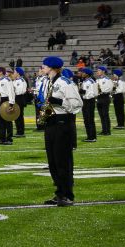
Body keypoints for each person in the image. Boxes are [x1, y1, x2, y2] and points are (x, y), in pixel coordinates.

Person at [37, 57, 80, 206]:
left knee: (63, 161)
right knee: (53, 161)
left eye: (44, 65)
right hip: (51, 122)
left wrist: (59, 102)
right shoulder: (47, 82)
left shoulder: (65, 83)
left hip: (62, 123)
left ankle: (67, 194)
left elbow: (76, 104)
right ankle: (59, 192)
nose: (42, 67)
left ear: (52, 67)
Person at [78, 68, 98, 142]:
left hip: (89, 101)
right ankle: (90, 136)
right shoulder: (86, 81)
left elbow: (92, 93)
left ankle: (91, 136)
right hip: (87, 101)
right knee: (87, 119)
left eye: (83, 72)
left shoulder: (89, 82)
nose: (82, 73)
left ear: (87, 74)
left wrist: (82, 92)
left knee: (89, 119)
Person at [94, 67, 113, 136]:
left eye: (99, 70)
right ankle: (104, 130)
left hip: (105, 97)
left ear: (103, 71)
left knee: (105, 115)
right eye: (97, 70)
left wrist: (101, 90)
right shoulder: (97, 80)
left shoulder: (108, 79)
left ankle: (107, 130)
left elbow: (109, 88)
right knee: (101, 115)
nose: (97, 71)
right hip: (99, 97)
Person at [11, 67, 28, 137]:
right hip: (16, 98)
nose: (13, 74)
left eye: (14, 72)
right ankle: (18, 130)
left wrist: (13, 90)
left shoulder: (21, 81)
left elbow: (20, 91)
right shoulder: (15, 80)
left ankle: (21, 131)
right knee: (16, 115)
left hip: (19, 98)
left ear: (18, 73)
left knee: (19, 115)